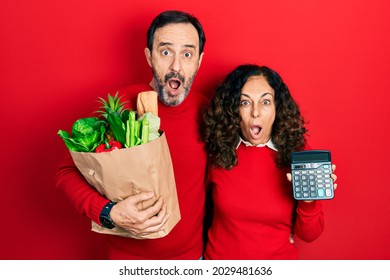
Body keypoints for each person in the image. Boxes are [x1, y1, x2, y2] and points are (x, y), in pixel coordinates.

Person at [55, 10, 208, 259]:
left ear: (199, 61)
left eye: (187, 54)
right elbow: (65, 174)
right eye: (166, 52)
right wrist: (109, 212)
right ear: (149, 56)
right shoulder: (118, 107)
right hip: (128, 263)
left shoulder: (209, 112)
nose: (176, 67)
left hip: (193, 260)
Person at [202, 64, 338, 259]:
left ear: (277, 108)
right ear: (232, 109)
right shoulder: (218, 150)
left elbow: (309, 235)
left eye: (265, 102)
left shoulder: (296, 154)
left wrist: (309, 200)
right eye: (245, 103)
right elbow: (197, 207)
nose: (255, 113)